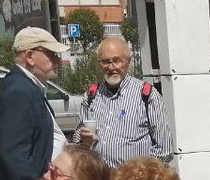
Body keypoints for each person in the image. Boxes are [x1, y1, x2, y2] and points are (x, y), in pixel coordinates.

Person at [0, 27, 69, 180]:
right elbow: (14, 153)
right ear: (30, 57)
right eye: (52, 54)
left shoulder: (27, 86)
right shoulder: (19, 90)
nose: (58, 61)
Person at [73, 37, 173, 166]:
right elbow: (77, 140)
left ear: (128, 62)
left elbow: (164, 151)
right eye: (105, 61)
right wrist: (83, 140)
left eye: (116, 61)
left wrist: (142, 178)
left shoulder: (147, 95)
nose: (111, 67)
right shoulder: (91, 96)